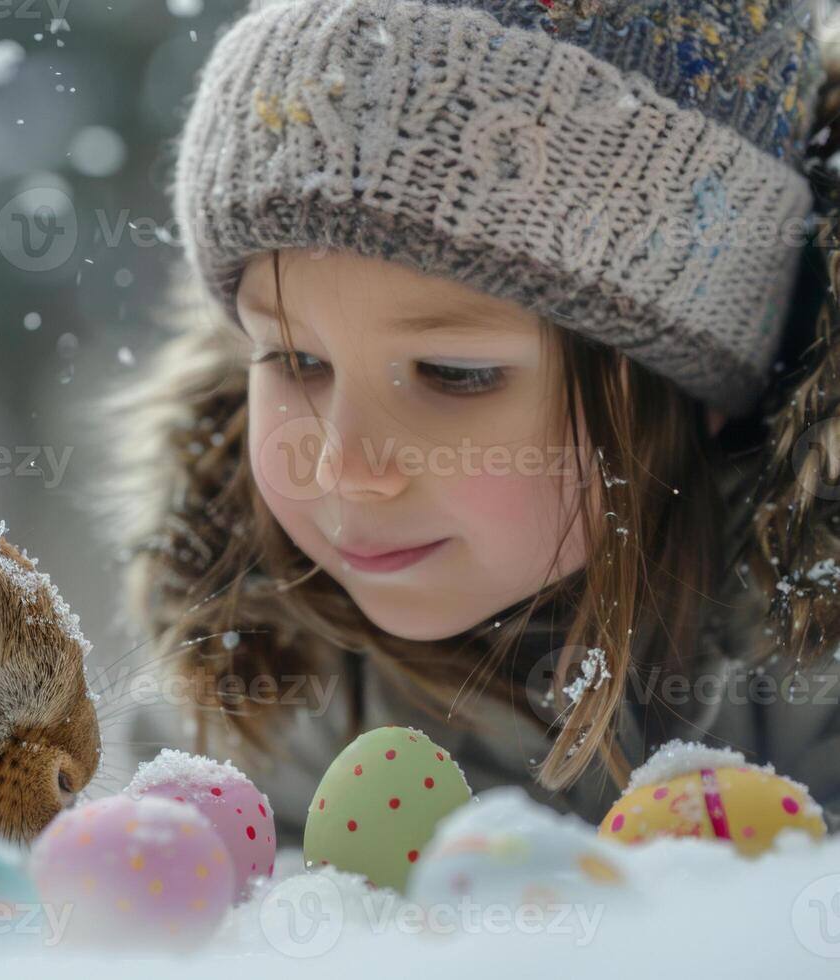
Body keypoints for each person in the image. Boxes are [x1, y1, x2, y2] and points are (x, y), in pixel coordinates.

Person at [99, 0, 840, 848]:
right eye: (296, 360)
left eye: (454, 375)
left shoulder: (811, 688)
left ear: (697, 382)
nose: (343, 466)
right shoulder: (260, 703)